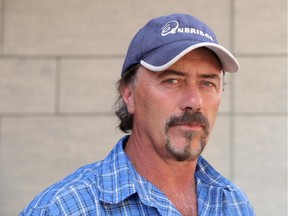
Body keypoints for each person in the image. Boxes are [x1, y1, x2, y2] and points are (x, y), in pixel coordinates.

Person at [20, 13, 254, 215]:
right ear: (129, 95)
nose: (194, 102)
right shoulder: (62, 209)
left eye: (207, 83)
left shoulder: (233, 203)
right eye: (172, 80)